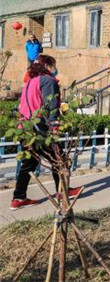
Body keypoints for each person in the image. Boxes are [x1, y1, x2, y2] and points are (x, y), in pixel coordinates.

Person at [11, 55, 82, 210]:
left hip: (25, 128)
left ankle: (18, 198)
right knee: (59, 160)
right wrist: (54, 128)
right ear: (47, 66)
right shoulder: (48, 81)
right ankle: (63, 191)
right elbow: (51, 106)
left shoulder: (30, 81)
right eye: (53, 65)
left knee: (28, 163)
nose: (55, 69)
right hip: (40, 128)